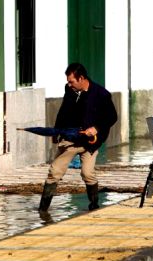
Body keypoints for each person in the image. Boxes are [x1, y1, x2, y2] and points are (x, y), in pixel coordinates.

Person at [39, 63, 118, 212]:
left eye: (71, 81)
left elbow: (112, 116)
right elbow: (63, 111)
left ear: (81, 78)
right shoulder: (70, 90)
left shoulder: (102, 94)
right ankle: (43, 211)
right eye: (68, 81)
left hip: (91, 142)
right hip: (71, 139)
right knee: (55, 171)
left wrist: (96, 128)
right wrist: (56, 132)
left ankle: (94, 207)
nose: (69, 84)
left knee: (88, 174)